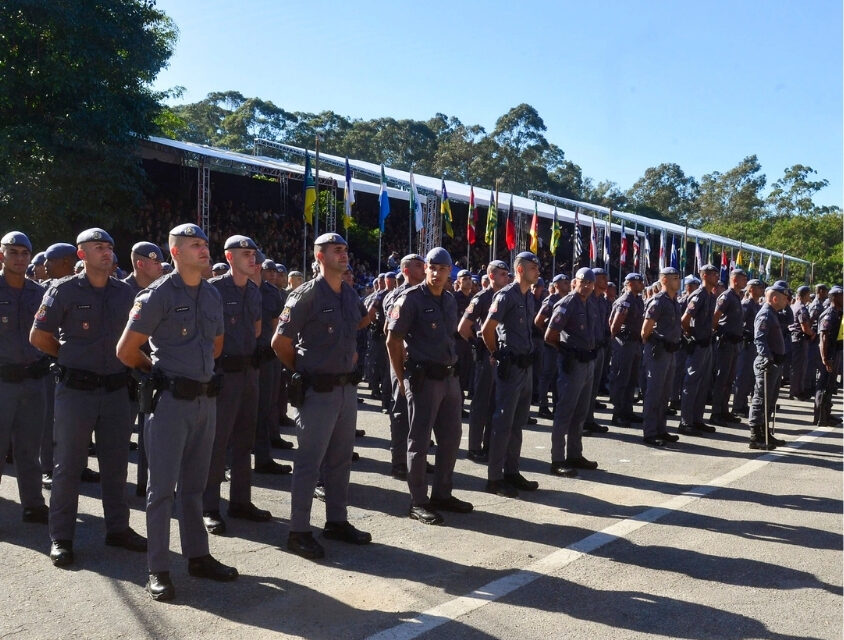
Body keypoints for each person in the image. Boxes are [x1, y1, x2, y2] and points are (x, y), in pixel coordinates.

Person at [117, 222, 237, 601]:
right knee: (161, 491)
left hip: (205, 400)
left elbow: (216, 346)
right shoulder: (158, 295)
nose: (204, 250)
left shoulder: (213, 295)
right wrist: (162, 375)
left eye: (204, 243)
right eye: (194, 245)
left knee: (195, 487)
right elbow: (126, 349)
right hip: (169, 402)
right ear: (175, 253)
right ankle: (158, 568)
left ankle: (198, 556)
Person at [30, 228, 145, 567]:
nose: (106, 252)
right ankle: (62, 537)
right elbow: (39, 336)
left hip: (115, 390)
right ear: (81, 254)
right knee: (68, 466)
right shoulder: (62, 290)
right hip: (76, 390)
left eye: (109, 246)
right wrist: (69, 359)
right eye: (98, 247)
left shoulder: (125, 293)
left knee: (115, 464)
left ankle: (118, 528)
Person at [272, 232, 372, 559]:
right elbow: (280, 343)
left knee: (340, 460)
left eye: (345, 249)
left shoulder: (348, 293)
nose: (344, 255)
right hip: (318, 390)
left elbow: (355, 328)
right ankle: (298, 531)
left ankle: (336, 520)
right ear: (319, 257)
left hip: (345, 388)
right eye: (336, 250)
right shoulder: (306, 296)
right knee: (309, 463)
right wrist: (303, 370)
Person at [386, 247, 473, 525]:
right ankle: (418, 501)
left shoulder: (448, 299)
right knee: (419, 442)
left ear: (450, 272)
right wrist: (402, 379)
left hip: (448, 378)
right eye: (432, 267)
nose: (436, 273)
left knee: (451, 439)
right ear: (425, 268)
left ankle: (442, 494)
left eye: (442, 269)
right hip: (423, 380)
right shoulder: (411, 298)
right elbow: (392, 340)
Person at [203, 235, 270, 535]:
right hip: (223, 374)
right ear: (229, 258)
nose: (252, 259)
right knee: (218, 442)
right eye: (245, 254)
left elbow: (256, 330)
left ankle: (241, 501)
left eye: (253, 254)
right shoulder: (214, 290)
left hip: (248, 372)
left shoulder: (254, 292)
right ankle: (209, 506)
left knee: (245, 440)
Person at [481, 251, 542, 497]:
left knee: (518, 423)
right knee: (503, 423)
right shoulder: (506, 295)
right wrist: (497, 353)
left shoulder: (529, 297)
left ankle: (511, 471)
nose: (537, 271)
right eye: (533, 267)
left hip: (525, 366)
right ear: (520, 270)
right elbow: (487, 329)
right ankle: (494, 478)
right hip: (511, 366)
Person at [0, 232, 50, 524]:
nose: (19, 258)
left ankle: (33, 503)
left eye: (24, 253)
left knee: (30, 448)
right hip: (2, 381)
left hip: (33, 380)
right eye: (13, 252)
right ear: (2, 254)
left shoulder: (39, 292)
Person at [544, 267, 601, 475]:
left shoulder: (591, 303)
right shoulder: (567, 303)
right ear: (574, 282)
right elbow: (550, 335)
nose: (586, 286)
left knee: (580, 412)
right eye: (582, 282)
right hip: (573, 363)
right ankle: (557, 459)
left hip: (587, 362)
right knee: (565, 412)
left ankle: (575, 454)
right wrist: (566, 353)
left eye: (590, 283)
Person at [123, 241, 165, 496]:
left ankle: (146, 485)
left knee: (153, 436)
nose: (160, 267)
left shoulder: (163, 291)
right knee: (120, 438)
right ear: (140, 263)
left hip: (153, 372)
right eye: (155, 261)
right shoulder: (120, 290)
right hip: (126, 372)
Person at [458, 260, 509, 463]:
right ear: (491, 276)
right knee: (481, 403)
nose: (506, 277)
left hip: (501, 355)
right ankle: (474, 447)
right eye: (502, 274)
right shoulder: (482, 297)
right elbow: (463, 327)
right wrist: (478, 345)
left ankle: (490, 444)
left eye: (507, 273)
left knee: (496, 402)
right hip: (486, 357)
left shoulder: (505, 296)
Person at [382, 254, 425, 479]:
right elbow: (390, 332)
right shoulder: (396, 296)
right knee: (400, 410)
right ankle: (399, 461)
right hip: (402, 360)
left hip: (423, 361)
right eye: (418, 266)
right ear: (406, 270)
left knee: (420, 413)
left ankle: (416, 459)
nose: (424, 269)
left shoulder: (427, 294)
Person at [254, 258, 293, 474]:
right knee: (234, 414)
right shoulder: (223, 288)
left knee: (266, 407)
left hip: (266, 357)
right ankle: (228, 463)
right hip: (237, 360)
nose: (266, 271)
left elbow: (277, 324)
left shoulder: (272, 293)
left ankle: (263, 457)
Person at [640, 267, 683, 446]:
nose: (678, 282)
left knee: (665, 393)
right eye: (674, 278)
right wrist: (658, 342)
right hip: (658, 352)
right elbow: (645, 331)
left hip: (671, 352)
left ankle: (661, 429)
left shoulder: (675, 302)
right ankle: (650, 432)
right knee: (654, 393)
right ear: (664, 280)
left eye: (678, 278)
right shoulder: (658, 301)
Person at [747, 281, 792, 449]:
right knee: (760, 399)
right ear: (774, 298)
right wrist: (767, 358)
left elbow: (789, 319)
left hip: (775, 362)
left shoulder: (774, 313)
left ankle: (765, 433)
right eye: (784, 298)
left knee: (770, 400)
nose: (787, 301)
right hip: (767, 362)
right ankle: (755, 436)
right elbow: (759, 339)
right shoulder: (765, 314)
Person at [679, 264, 719, 435]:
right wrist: (693, 334)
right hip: (698, 344)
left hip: (707, 343)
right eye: (713, 274)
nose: (716, 277)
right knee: (692, 383)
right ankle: (686, 421)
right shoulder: (699, 295)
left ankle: (697, 419)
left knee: (703, 384)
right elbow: (685, 320)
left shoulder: (711, 295)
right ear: (704, 276)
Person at [709, 268, 748, 425]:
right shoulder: (726, 297)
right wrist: (720, 333)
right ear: (735, 280)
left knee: (729, 379)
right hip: (725, 342)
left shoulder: (737, 297)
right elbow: (715, 318)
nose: (745, 281)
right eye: (743, 279)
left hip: (734, 343)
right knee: (722, 378)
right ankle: (716, 412)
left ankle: (724, 410)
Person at [608, 272, 645, 427]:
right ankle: (618, 413)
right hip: (625, 342)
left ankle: (627, 410)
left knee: (631, 379)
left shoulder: (637, 300)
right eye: (638, 282)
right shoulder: (625, 301)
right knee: (621, 378)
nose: (642, 284)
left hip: (635, 343)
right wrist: (619, 340)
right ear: (630, 283)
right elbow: (614, 325)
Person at [534, 274, 568, 419]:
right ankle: (543, 405)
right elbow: (538, 321)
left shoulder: (567, 299)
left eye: (568, 281)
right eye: (564, 282)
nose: (567, 284)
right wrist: (547, 335)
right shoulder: (551, 300)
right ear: (556, 285)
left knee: (557, 376)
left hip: (560, 344)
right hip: (549, 345)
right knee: (547, 375)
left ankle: (556, 405)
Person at [732, 279, 765, 417]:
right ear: (751, 289)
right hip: (746, 344)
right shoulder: (746, 304)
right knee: (743, 376)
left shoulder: (757, 305)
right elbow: (740, 323)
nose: (762, 290)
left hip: (753, 345)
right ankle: (737, 406)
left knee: (750, 377)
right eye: (759, 287)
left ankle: (743, 403)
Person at [814, 285, 842, 427]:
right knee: (823, 385)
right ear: (835, 297)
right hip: (828, 353)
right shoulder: (829, 314)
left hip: (835, 352)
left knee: (830, 386)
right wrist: (825, 358)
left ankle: (826, 414)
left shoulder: (838, 313)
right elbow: (823, 337)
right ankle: (820, 417)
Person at [787, 285, 814, 401]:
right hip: (799, 340)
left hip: (795, 339)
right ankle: (796, 391)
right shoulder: (801, 308)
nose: (809, 297)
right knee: (799, 367)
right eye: (808, 294)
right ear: (805, 294)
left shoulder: (794, 306)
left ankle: (796, 390)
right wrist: (812, 334)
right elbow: (804, 327)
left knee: (797, 366)